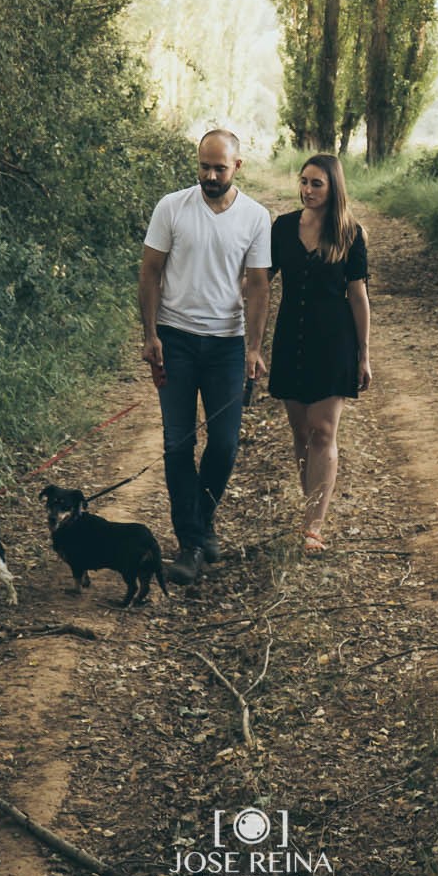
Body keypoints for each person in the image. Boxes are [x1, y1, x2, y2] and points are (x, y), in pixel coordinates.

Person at [139, 128, 271, 584]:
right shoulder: (171, 207)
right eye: (204, 166)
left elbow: (258, 285)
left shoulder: (255, 217)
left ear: (238, 166)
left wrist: (253, 348)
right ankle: (191, 543)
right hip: (174, 341)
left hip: (225, 346)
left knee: (225, 444)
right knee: (178, 443)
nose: (210, 175)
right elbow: (150, 272)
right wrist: (150, 334)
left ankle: (201, 518)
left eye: (219, 167)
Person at [267, 152, 371, 552]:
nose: (307, 190)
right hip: (292, 337)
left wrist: (363, 355)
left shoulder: (350, 234)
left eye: (316, 184)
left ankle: (313, 525)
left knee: (324, 430)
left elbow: (358, 297)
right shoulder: (283, 228)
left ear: (333, 189)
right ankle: (310, 506)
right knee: (300, 431)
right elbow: (260, 279)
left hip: (334, 342)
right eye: (304, 182)